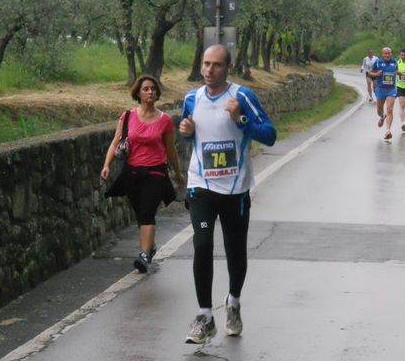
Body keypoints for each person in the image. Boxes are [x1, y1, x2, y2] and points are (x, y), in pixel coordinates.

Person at [179, 44, 276, 344]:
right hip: (201, 186)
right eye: (206, 64)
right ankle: (205, 315)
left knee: (235, 252)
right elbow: (190, 135)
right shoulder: (191, 98)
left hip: (235, 189)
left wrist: (241, 120)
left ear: (228, 68)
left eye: (216, 65)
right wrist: (186, 132)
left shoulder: (242, 97)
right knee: (203, 244)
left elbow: (270, 135)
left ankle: (233, 302)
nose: (209, 70)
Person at [101, 75, 185, 273]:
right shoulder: (127, 117)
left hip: (156, 172)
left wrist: (178, 173)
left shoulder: (165, 120)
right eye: (146, 89)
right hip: (132, 172)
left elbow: (170, 149)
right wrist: (106, 164)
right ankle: (150, 246)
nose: (150, 92)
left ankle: (144, 255)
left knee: (147, 211)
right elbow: (115, 142)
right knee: (140, 212)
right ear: (138, 93)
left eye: (153, 89)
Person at [369, 46, 398, 140]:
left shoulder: (395, 62)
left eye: (389, 53)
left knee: (389, 109)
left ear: (391, 54)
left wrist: (401, 73)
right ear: (382, 54)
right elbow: (370, 73)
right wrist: (376, 74)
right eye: (385, 53)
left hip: (391, 89)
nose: (387, 55)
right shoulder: (378, 63)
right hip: (380, 89)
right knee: (379, 110)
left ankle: (388, 130)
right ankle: (382, 116)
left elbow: (397, 71)